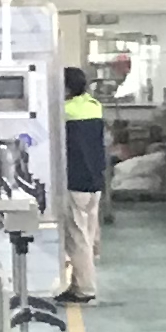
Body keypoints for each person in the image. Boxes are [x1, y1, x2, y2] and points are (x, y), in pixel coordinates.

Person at [59, 67, 110, 302]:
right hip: (95, 183)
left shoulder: (64, 112)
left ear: (66, 88)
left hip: (75, 183)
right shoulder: (94, 106)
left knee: (78, 241)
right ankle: (78, 283)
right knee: (87, 237)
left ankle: (85, 289)